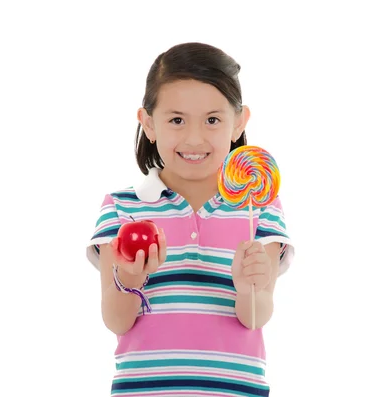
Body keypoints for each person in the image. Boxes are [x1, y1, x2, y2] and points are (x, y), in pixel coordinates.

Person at [86, 42, 294, 397]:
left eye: (213, 120)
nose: (194, 138)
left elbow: (256, 317)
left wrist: (248, 288)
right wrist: (132, 276)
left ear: (238, 122)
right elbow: (116, 321)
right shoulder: (123, 207)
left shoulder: (259, 205)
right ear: (149, 124)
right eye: (176, 120)